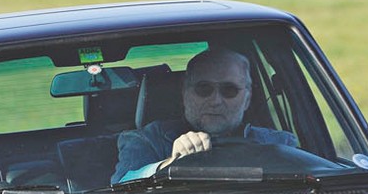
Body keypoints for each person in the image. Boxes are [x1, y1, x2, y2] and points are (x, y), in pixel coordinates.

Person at [113, 47, 297, 183]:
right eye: (204, 89)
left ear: (247, 99)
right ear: (184, 94)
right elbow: (122, 184)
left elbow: (308, 181)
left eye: (229, 90)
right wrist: (169, 165)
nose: (216, 100)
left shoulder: (279, 144)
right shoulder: (148, 140)